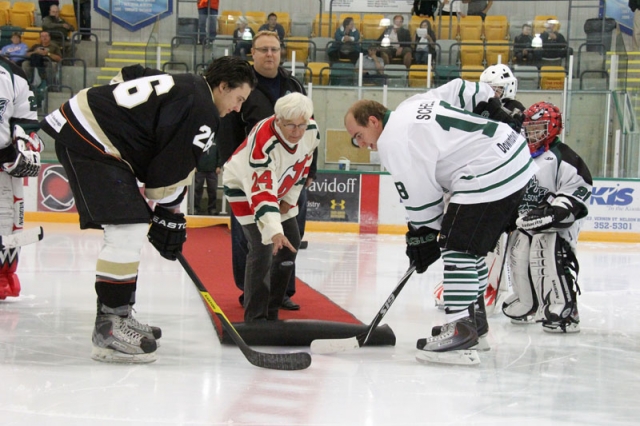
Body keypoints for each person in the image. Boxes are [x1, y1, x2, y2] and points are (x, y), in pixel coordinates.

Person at [38, 56, 257, 363]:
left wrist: (171, 214)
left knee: (133, 224)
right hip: (90, 140)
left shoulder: (186, 84)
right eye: (239, 98)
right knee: (128, 227)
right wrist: (170, 214)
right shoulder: (203, 108)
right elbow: (171, 167)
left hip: (84, 129)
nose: (237, 107)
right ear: (223, 86)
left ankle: (120, 315)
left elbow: (130, 73)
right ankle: (110, 325)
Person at [344, 79, 538, 365]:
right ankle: (475, 326)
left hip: (487, 170)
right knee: (470, 249)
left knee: (456, 247)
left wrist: (421, 235)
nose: (360, 145)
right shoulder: (412, 105)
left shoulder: (392, 140)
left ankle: (460, 332)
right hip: (513, 155)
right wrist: (496, 109)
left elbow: (421, 200)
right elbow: (464, 88)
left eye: (358, 136)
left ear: (373, 121)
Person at [217, 31, 316, 312]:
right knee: (255, 237)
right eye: (263, 50)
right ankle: (250, 292)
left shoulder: (292, 84)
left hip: (289, 172)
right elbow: (228, 125)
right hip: (253, 171)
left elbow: (309, 134)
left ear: (281, 52)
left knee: (291, 235)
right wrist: (226, 161)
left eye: (274, 49)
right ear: (253, 53)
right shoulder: (243, 86)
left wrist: (308, 172)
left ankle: (281, 291)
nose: (270, 54)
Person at [223, 93, 320, 322]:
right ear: (278, 120)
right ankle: (255, 316)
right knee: (262, 246)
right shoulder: (264, 140)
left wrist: (291, 196)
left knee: (292, 242)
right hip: (243, 186)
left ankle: (272, 308)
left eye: (301, 125)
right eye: (290, 126)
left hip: (280, 185)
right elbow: (262, 192)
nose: (297, 131)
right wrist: (274, 230)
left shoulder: (310, 130)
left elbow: (303, 164)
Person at [503, 102, 592, 334]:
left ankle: (565, 310)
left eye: (539, 128)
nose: (532, 134)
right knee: (519, 251)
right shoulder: (521, 156)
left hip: (557, 228)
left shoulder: (565, 157)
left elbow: (578, 190)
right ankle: (528, 303)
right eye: (529, 129)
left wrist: (554, 212)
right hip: (526, 223)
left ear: (553, 128)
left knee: (549, 251)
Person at [0, 56, 43, 300]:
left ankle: (2, 279)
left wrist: (27, 146)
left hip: (2, 164)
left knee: (6, 223)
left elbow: (25, 119)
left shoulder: (11, 72)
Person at [194, 141, 220, 215]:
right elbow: (194, 153)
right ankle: (196, 208)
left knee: (212, 190)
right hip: (199, 169)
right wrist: (194, 165)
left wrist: (219, 165)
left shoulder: (216, 140)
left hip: (213, 170)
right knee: (197, 190)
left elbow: (220, 152)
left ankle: (212, 208)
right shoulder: (199, 139)